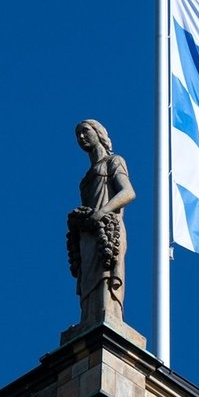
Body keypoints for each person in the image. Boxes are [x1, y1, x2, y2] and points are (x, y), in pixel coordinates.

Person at [68, 119, 135, 325]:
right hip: (89, 233)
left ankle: (108, 317)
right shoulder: (85, 178)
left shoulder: (113, 162)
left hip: (108, 230)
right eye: (77, 134)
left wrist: (103, 211)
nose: (81, 137)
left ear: (99, 133)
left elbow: (128, 192)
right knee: (88, 280)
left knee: (105, 276)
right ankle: (88, 320)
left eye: (85, 131)